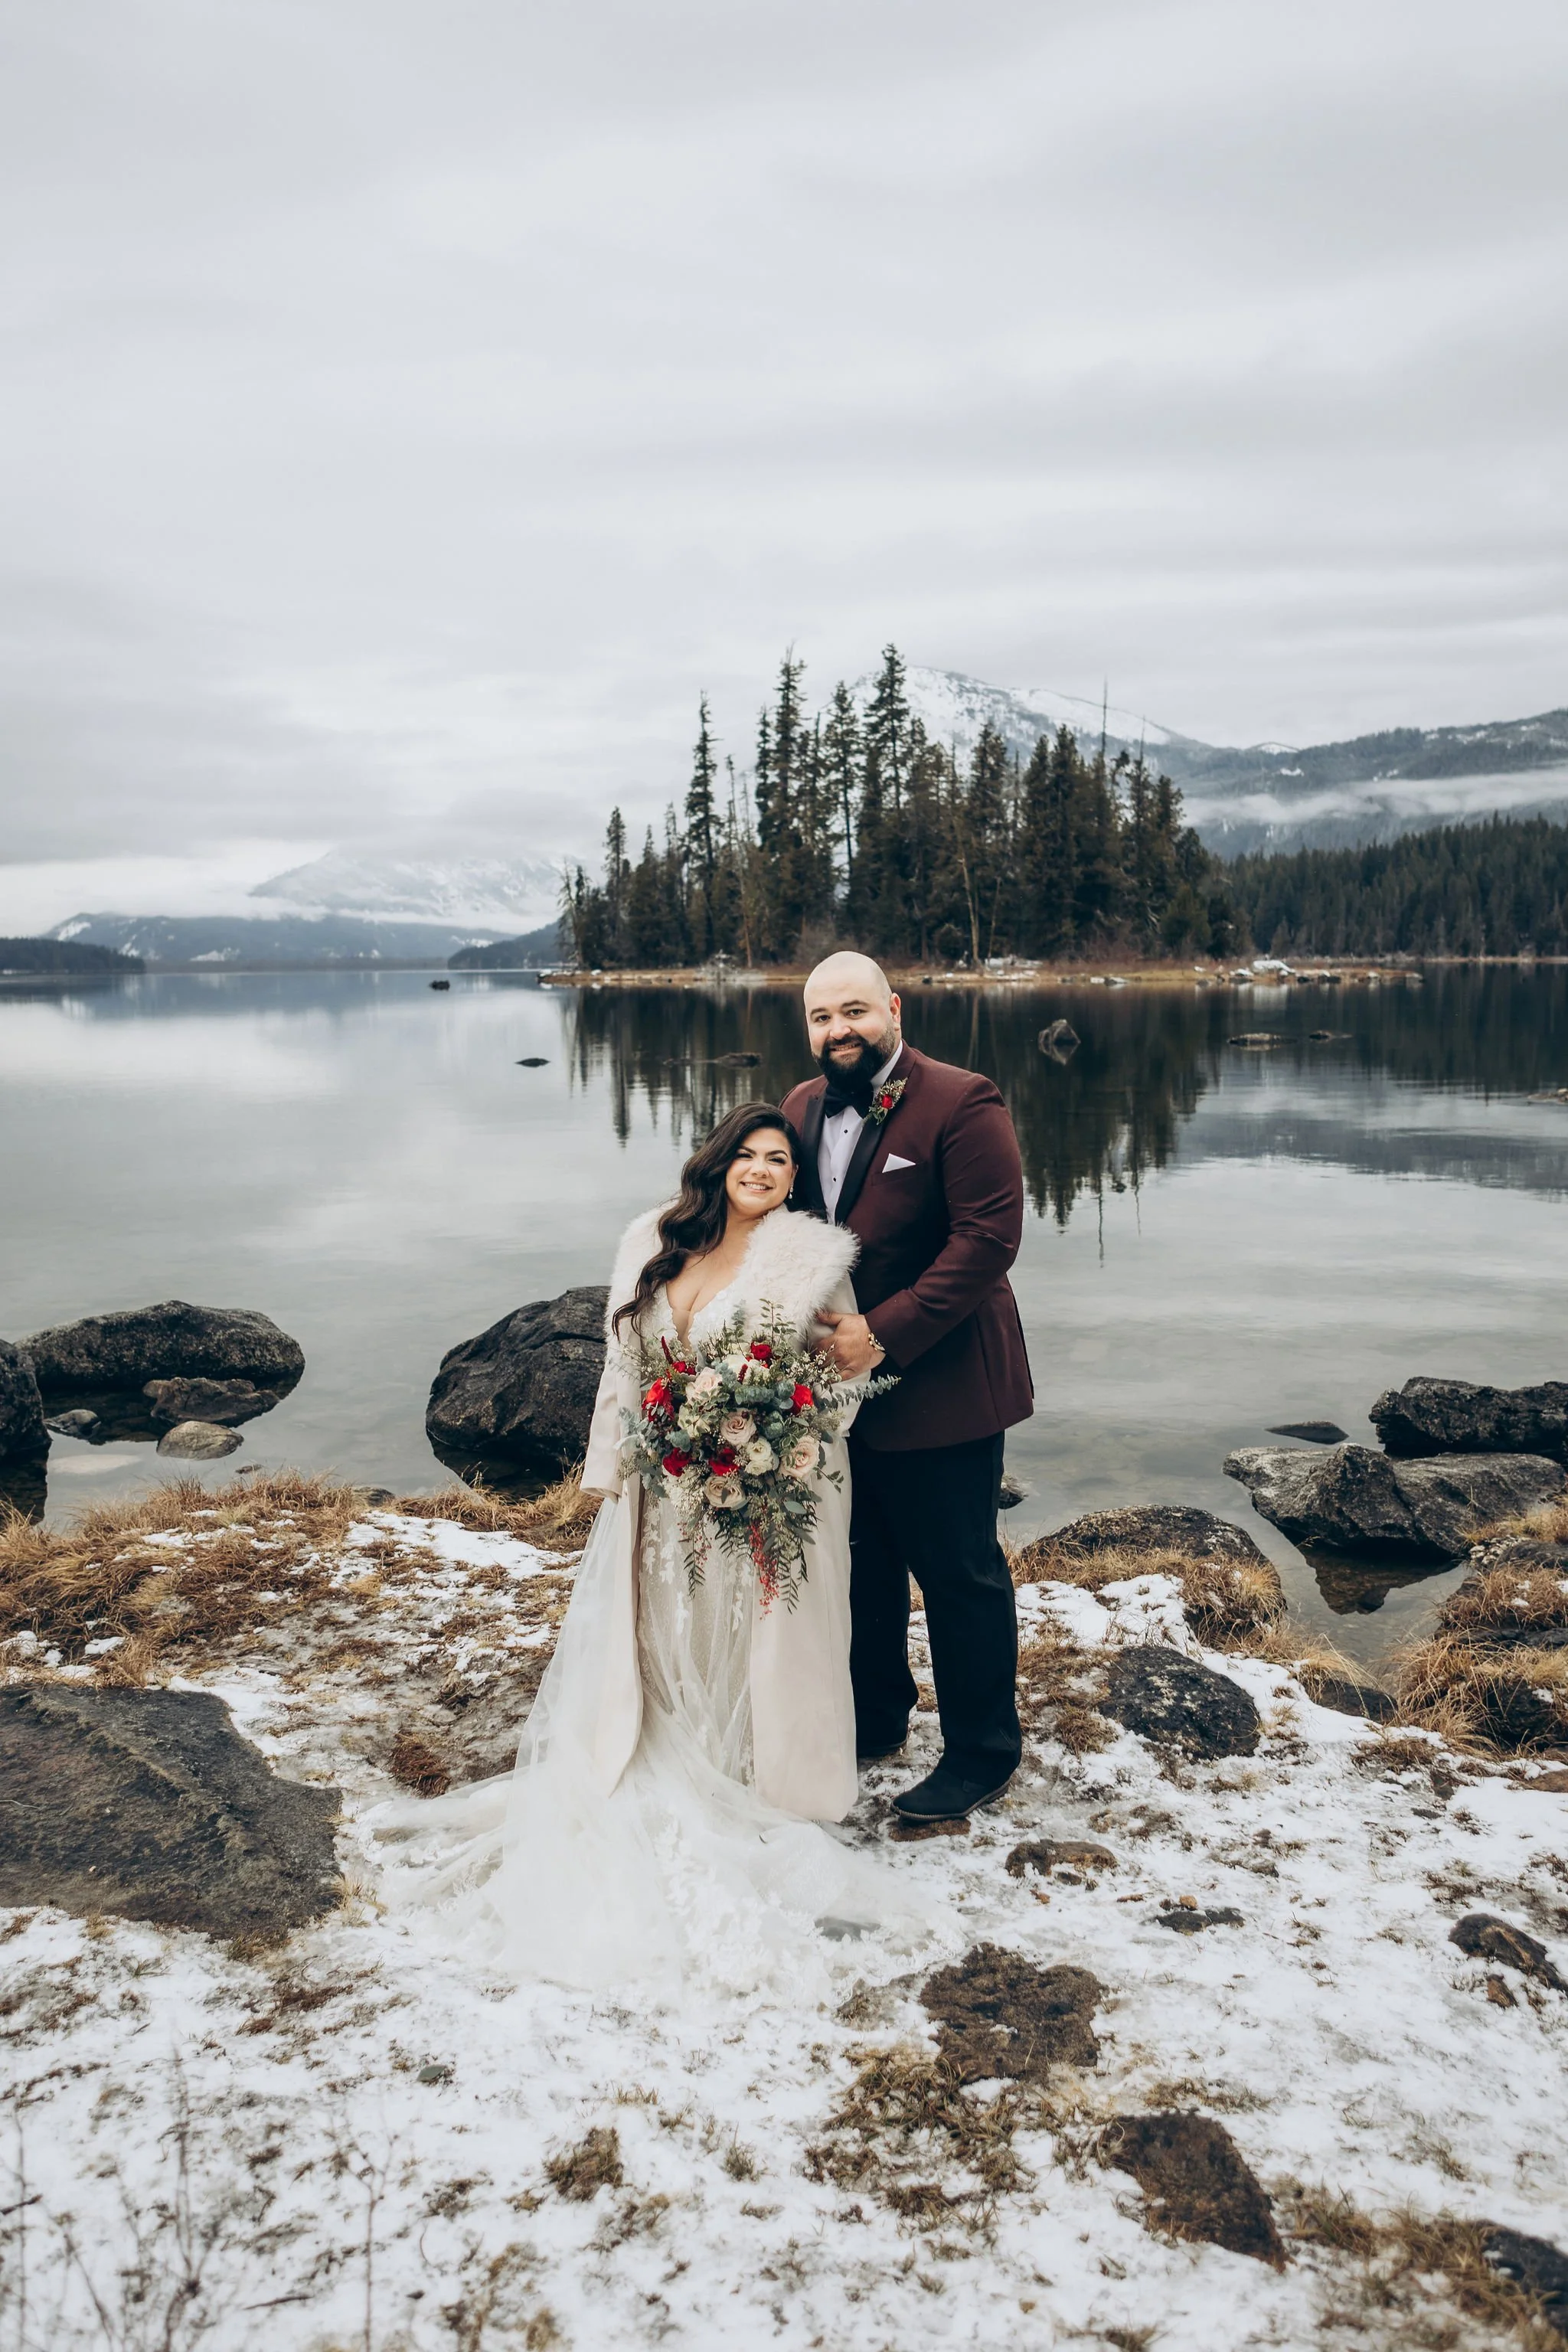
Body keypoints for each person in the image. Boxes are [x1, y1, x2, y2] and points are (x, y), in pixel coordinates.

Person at [382, 1103, 919, 1991]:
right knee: (661, 1626)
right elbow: (622, 1369)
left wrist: (771, 1441)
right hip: (661, 1484)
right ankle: (657, 1745)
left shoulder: (811, 1262)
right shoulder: (652, 1240)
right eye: (744, 1154)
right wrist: (611, 1472)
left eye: (778, 1159)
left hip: (762, 1486)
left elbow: (840, 1381)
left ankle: (754, 1771)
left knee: (750, 1630)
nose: (759, 1168)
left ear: (795, 1179)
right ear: (715, 1163)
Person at [781, 952, 1034, 1824]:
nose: (837, 1030)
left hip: (943, 1381)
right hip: (835, 1393)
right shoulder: (799, 1108)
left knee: (958, 1572)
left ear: (891, 1008)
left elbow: (987, 1241)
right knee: (862, 1565)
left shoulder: (963, 1101)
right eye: (820, 1017)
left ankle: (981, 1754)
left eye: (853, 1010)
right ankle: (875, 1719)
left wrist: (879, 1335)